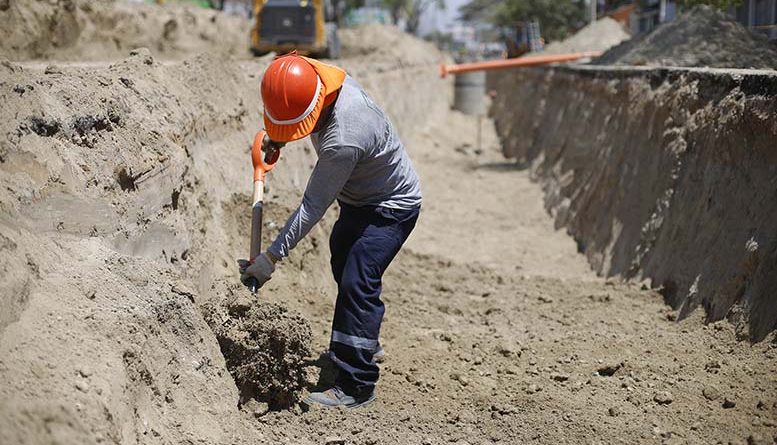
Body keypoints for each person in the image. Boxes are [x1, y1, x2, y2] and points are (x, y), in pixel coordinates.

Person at [239, 52, 422, 408]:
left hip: (391, 208)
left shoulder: (345, 136)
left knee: (357, 279)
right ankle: (364, 340)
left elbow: (312, 207)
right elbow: (292, 100)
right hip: (359, 201)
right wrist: (277, 141)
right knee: (342, 259)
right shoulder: (317, 76)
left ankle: (357, 384)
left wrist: (270, 259)